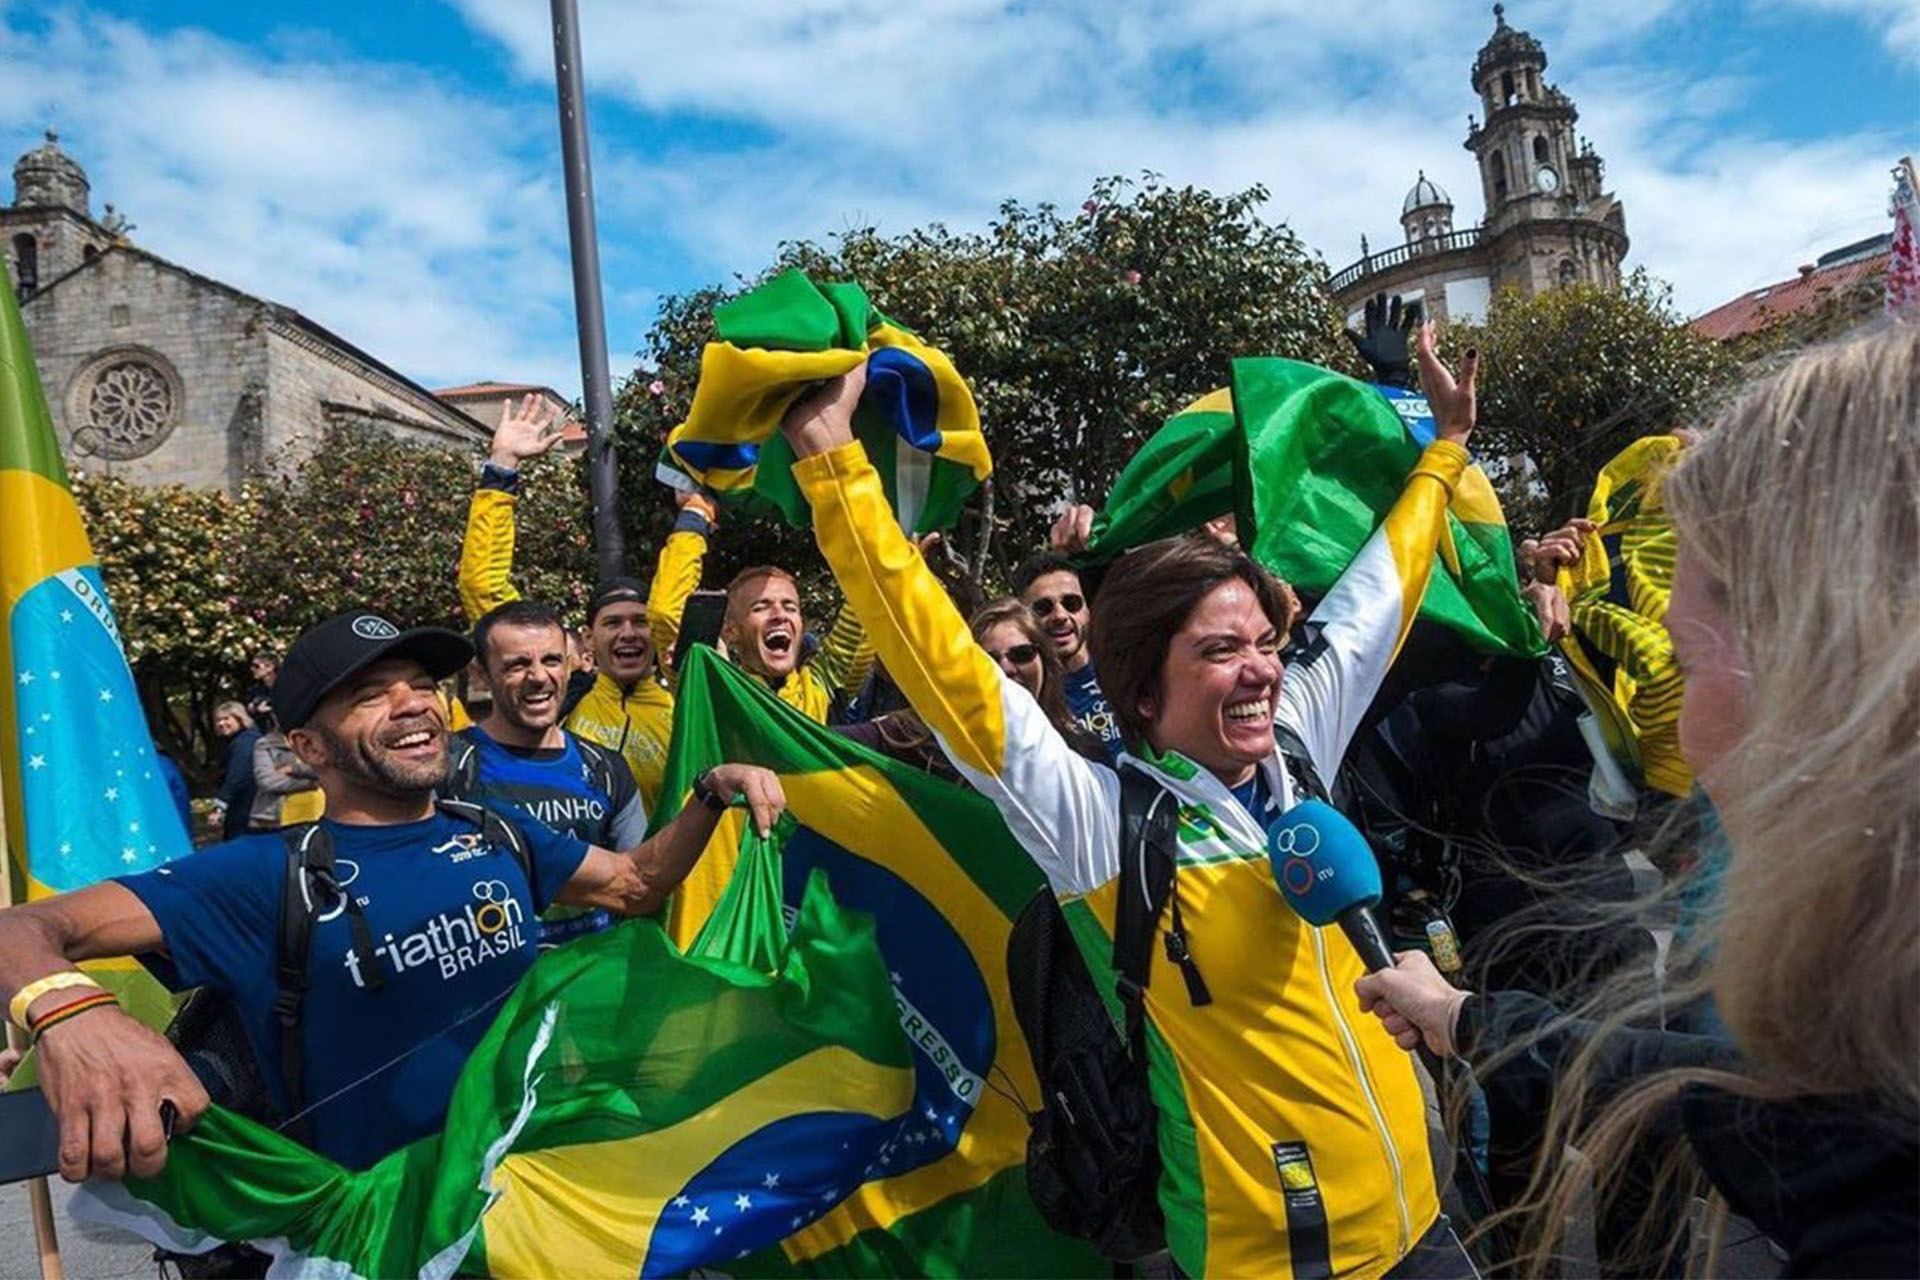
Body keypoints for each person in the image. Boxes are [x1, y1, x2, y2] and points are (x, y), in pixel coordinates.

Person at [781, 326, 1483, 1278]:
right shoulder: (1100, 825)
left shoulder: (1297, 744)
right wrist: (832, 463)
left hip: (1425, 1226)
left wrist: (1445, 448)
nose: (1260, 672)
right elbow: (944, 668)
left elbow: (1379, 592)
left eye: (1264, 643)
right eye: (1220, 651)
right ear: (1143, 691)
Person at [1354, 325, 1920, 1277]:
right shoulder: (1410, 691)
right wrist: (1461, 1015)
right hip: (1498, 953)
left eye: (1690, 660)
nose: (1684, 740)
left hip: (1596, 933)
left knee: (1645, 1192)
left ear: (1849, 668)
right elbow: (1717, 1095)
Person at [0, 609, 787, 1179]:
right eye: (371, 694)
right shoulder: (263, 874)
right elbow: (24, 928)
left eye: (422, 685)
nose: (414, 703)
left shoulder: (495, 831)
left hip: (526, 1196)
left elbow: (635, 884)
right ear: (308, 746)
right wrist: (75, 1016)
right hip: (374, 1235)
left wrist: (708, 793)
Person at [457, 395, 676, 811]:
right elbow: (483, 587)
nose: (628, 632)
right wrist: (502, 466)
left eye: (640, 621)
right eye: (612, 623)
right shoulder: (567, 693)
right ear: (588, 640)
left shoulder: (682, 706)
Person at [445, 599, 647, 945]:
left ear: (569, 666)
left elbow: (640, 883)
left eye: (552, 660)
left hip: (595, 971)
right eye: (517, 664)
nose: (539, 677)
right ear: (481, 674)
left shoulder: (605, 767)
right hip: (501, 974)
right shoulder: (448, 766)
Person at [647, 487, 874, 723]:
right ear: (730, 631)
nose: (779, 615)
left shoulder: (821, 686)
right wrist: (696, 513)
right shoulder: (709, 690)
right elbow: (665, 613)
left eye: (790, 607)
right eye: (760, 607)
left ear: (801, 625)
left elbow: (868, 596)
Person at [837, 597, 1106, 776]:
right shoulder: (921, 736)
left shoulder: (1083, 753)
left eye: (1022, 654)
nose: (1006, 669)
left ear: (1044, 661)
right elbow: (826, 746)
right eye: (988, 660)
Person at [1009, 549, 1123, 760]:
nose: (1060, 615)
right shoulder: (1025, 700)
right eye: (1043, 608)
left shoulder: (1128, 666)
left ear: (1088, 610)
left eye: (1071, 603)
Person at [207, 701, 261, 842]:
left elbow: (237, 775)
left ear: (240, 719)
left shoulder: (244, 742)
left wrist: (220, 805)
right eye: (218, 720)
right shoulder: (245, 739)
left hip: (246, 807)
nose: (221, 723)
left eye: (226, 719)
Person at [248, 727, 322, 830]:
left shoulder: (319, 739)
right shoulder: (266, 743)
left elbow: (325, 768)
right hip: (275, 818)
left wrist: (294, 769)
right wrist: (312, 783)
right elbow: (268, 782)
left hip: (318, 813)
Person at [244, 652, 279, 731]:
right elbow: (250, 709)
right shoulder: (254, 690)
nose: (252, 669)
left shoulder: (286, 685)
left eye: (256, 666)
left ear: (270, 667)